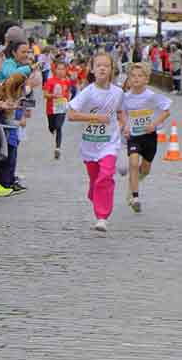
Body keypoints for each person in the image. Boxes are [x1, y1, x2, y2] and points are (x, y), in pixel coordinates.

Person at [67, 52, 126, 232]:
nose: (102, 68)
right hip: (90, 145)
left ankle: (102, 217)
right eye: (98, 65)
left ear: (111, 70)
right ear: (92, 69)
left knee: (106, 176)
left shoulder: (118, 92)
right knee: (96, 180)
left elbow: (121, 112)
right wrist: (95, 117)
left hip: (110, 143)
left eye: (106, 66)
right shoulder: (87, 92)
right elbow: (71, 115)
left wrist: (123, 124)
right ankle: (95, 192)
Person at [120, 62, 171, 214]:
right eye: (133, 76)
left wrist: (154, 124)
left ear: (146, 79)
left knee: (145, 169)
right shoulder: (125, 97)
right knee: (133, 162)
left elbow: (166, 111)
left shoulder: (152, 96)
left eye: (140, 76)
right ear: (129, 79)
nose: (136, 79)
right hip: (134, 136)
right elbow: (121, 113)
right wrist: (125, 126)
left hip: (149, 136)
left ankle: (131, 186)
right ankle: (135, 197)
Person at [43, 56, 71, 160]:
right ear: (55, 70)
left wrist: (68, 101)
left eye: (63, 69)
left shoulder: (67, 82)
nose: (60, 71)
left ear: (65, 70)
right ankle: (52, 129)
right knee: (51, 127)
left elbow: (68, 93)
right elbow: (45, 94)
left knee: (59, 126)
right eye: (58, 69)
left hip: (61, 107)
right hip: (50, 108)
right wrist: (53, 96)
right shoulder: (50, 81)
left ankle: (57, 148)